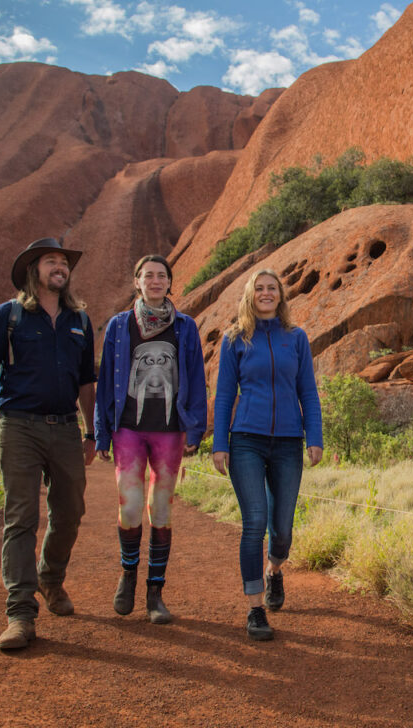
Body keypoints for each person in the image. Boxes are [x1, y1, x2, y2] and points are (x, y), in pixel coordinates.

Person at [0, 237, 97, 651]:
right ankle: (20, 613)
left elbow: (85, 382)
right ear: (33, 270)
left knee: (71, 511)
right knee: (21, 518)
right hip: (19, 426)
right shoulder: (7, 316)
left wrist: (91, 431)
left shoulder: (80, 319)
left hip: (63, 429)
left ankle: (51, 577)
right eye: (51, 261)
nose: (60, 266)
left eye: (64, 261)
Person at [212, 268, 323, 641]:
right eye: (258, 288)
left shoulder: (296, 338)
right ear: (249, 294)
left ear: (280, 295)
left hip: (289, 441)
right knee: (254, 522)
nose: (265, 293)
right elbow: (225, 394)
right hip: (246, 439)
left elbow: (307, 390)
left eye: (271, 288)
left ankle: (275, 570)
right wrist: (220, 443)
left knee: (283, 531)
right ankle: (255, 608)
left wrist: (314, 436)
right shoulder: (235, 339)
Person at [95, 255, 206, 624]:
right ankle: (128, 574)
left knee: (160, 509)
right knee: (129, 507)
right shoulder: (119, 326)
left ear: (170, 282)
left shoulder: (186, 327)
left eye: (162, 275)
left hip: (170, 431)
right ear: (137, 282)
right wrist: (100, 431)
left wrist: (196, 426)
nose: (155, 281)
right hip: (128, 427)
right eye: (148, 276)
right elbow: (105, 380)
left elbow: (196, 375)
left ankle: (154, 592)